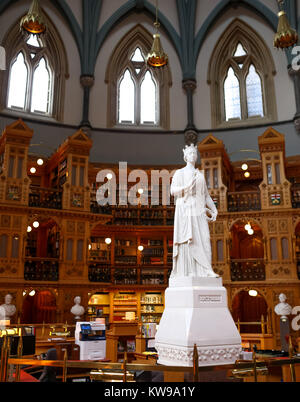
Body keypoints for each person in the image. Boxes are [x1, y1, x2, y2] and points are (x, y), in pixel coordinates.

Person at [170, 143, 218, 278]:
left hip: (199, 211)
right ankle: (189, 271)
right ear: (185, 156)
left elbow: (206, 195)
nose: (192, 155)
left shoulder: (200, 175)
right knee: (188, 240)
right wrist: (186, 187)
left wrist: (214, 209)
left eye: (194, 153)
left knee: (205, 238)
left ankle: (207, 270)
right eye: (190, 153)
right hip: (185, 210)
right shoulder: (179, 173)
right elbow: (172, 191)